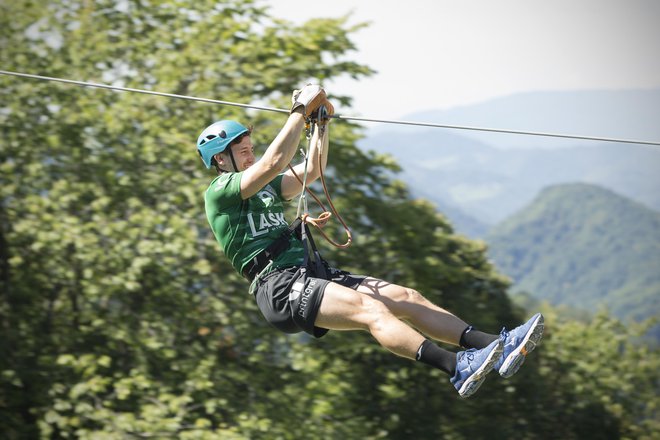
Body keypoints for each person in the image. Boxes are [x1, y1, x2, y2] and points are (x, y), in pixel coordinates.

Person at [197, 84, 544, 398]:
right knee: (371, 310)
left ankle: (497, 345)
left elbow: (313, 169)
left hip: (308, 273)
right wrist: (298, 111)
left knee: (406, 298)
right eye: (242, 152)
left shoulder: (266, 189)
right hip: (278, 287)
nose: (250, 156)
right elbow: (275, 162)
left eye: (250, 149)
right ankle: (456, 367)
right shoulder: (221, 192)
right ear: (219, 160)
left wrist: (319, 126)